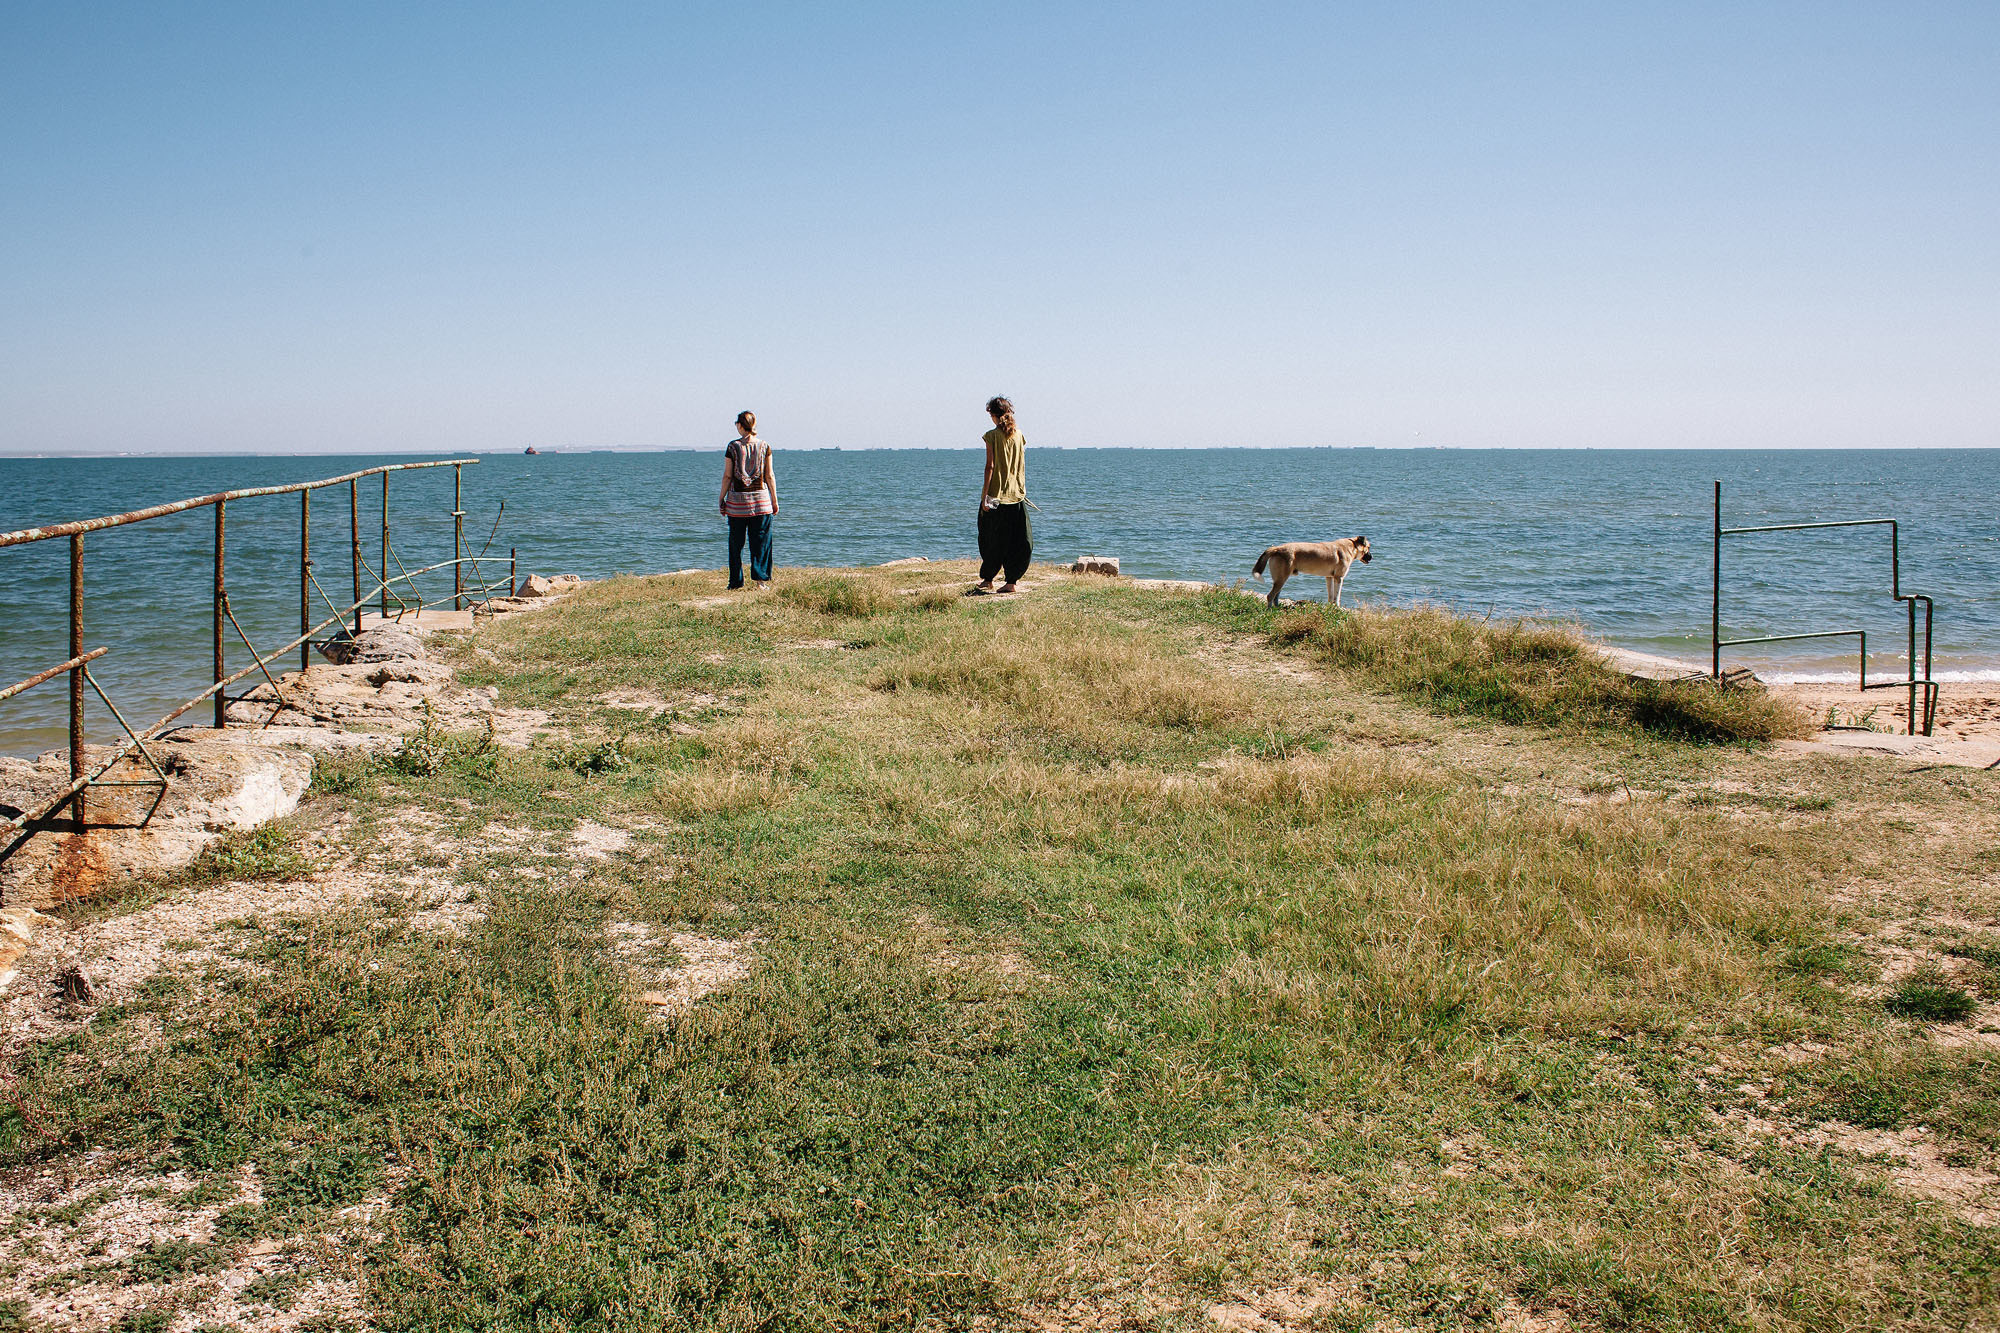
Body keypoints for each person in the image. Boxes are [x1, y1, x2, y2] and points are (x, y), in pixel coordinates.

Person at [971, 396, 1030, 594]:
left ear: (994, 415)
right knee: (1017, 540)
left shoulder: (991, 436)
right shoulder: (1019, 436)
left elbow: (990, 467)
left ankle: (989, 579)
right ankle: (1011, 581)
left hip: (996, 497)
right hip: (1017, 495)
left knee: (990, 538)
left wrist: (985, 496)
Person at [719, 411, 778, 588]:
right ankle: (760, 581)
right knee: (761, 543)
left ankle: (735, 583)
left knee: (735, 545)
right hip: (761, 503)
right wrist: (774, 500)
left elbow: (727, 476)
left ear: (740, 425)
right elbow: (770, 475)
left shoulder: (732, 447)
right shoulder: (765, 446)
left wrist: (721, 498)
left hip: (737, 505)